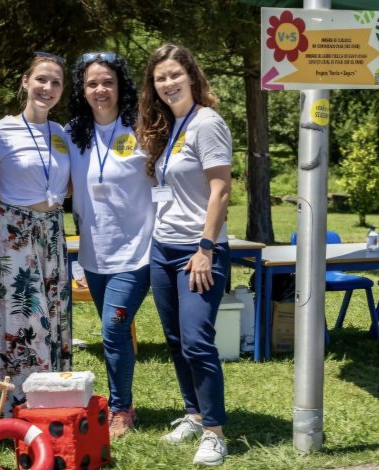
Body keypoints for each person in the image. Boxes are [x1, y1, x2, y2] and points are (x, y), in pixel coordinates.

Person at [137, 44, 232, 466]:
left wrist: (205, 249)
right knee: (176, 340)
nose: (168, 83)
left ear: (191, 76)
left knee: (197, 341)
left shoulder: (207, 124)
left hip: (198, 251)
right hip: (164, 249)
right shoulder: (170, 126)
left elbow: (221, 189)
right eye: (160, 78)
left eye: (175, 74)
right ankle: (193, 414)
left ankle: (215, 433)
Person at [0, 52, 72, 417]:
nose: (47, 88)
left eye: (56, 82)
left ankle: (50, 401)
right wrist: (19, 210)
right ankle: (10, 407)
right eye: (41, 80)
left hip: (51, 234)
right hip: (14, 234)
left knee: (52, 316)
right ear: (25, 81)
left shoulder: (61, 134)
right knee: (19, 318)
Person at [66, 52, 155, 438]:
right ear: (82, 90)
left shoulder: (143, 127)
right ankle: (119, 401)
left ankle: (122, 409)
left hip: (138, 250)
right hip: (93, 252)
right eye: (92, 83)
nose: (100, 90)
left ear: (121, 87)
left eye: (107, 82)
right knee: (112, 332)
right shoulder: (72, 132)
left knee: (113, 330)